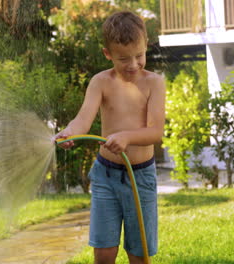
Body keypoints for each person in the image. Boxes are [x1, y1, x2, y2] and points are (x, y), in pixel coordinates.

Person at [54, 11, 166, 264]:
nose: (133, 65)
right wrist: (71, 131)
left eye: (139, 56)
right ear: (108, 54)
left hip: (141, 177)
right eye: (123, 59)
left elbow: (155, 132)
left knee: (140, 253)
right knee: (104, 252)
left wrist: (126, 137)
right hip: (106, 175)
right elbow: (83, 119)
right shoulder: (100, 82)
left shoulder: (154, 83)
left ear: (146, 45)